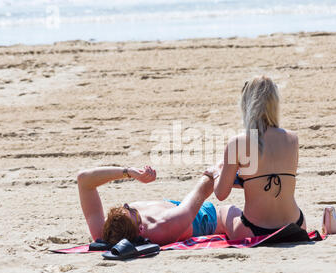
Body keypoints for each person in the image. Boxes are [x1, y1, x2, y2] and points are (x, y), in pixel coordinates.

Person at [211, 75, 307, 240]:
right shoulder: (292, 138)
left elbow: (221, 193)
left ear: (247, 105)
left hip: (255, 230)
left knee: (224, 212)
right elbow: (276, 179)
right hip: (296, 225)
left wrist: (215, 173)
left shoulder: (239, 142)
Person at [77, 165, 225, 246]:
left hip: (175, 208)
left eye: (125, 207)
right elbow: (200, 192)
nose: (128, 206)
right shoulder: (162, 226)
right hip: (204, 219)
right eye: (131, 211)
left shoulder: (104, 233)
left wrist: (128, 172)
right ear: (141, 229)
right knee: (240, 221)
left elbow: (84, 180)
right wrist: (217, 171)